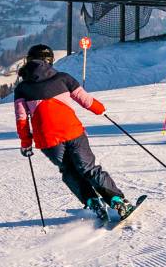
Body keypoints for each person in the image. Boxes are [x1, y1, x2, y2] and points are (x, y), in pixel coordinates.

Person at [14, 43, 134, 224]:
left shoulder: (22, 89)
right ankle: (117, 202)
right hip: (73, 132)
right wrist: (100, 110)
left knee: (69, 170)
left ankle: (92, 202)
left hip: (48, 141)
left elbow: (22, 119)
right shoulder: (63, 78)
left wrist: (25, 143)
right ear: (50, 60)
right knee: (89, 169)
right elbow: (85, 99)